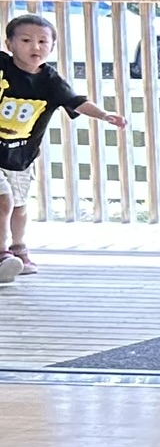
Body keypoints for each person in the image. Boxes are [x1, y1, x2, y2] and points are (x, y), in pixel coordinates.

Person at [0, 15, 127, 283]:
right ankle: (2, 254)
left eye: (43, 41)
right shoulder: (2, 66)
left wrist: (104, 115)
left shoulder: (50, 81)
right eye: (26, 40)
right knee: (4, 200)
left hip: (21, 156)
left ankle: (18, 248)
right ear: (9, 44)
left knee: (19, 206)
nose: (35, 46)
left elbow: (76, 101)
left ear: (52, 47)